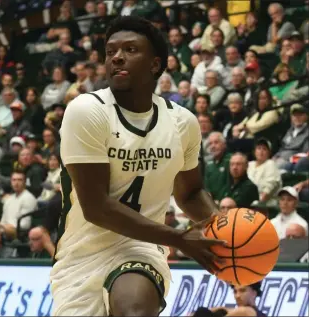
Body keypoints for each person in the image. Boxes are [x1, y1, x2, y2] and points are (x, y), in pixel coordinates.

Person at [50, 16, 225, 316]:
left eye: (131, 49)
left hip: (143, 246)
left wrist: (224, 231)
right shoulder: (87, 111)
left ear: (155, 65)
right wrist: (178, 238)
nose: (117, 56)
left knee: (134, 310)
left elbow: (191, 193)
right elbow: (96, 207)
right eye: (111, 51)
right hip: (80, 257)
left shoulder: (183, 122)